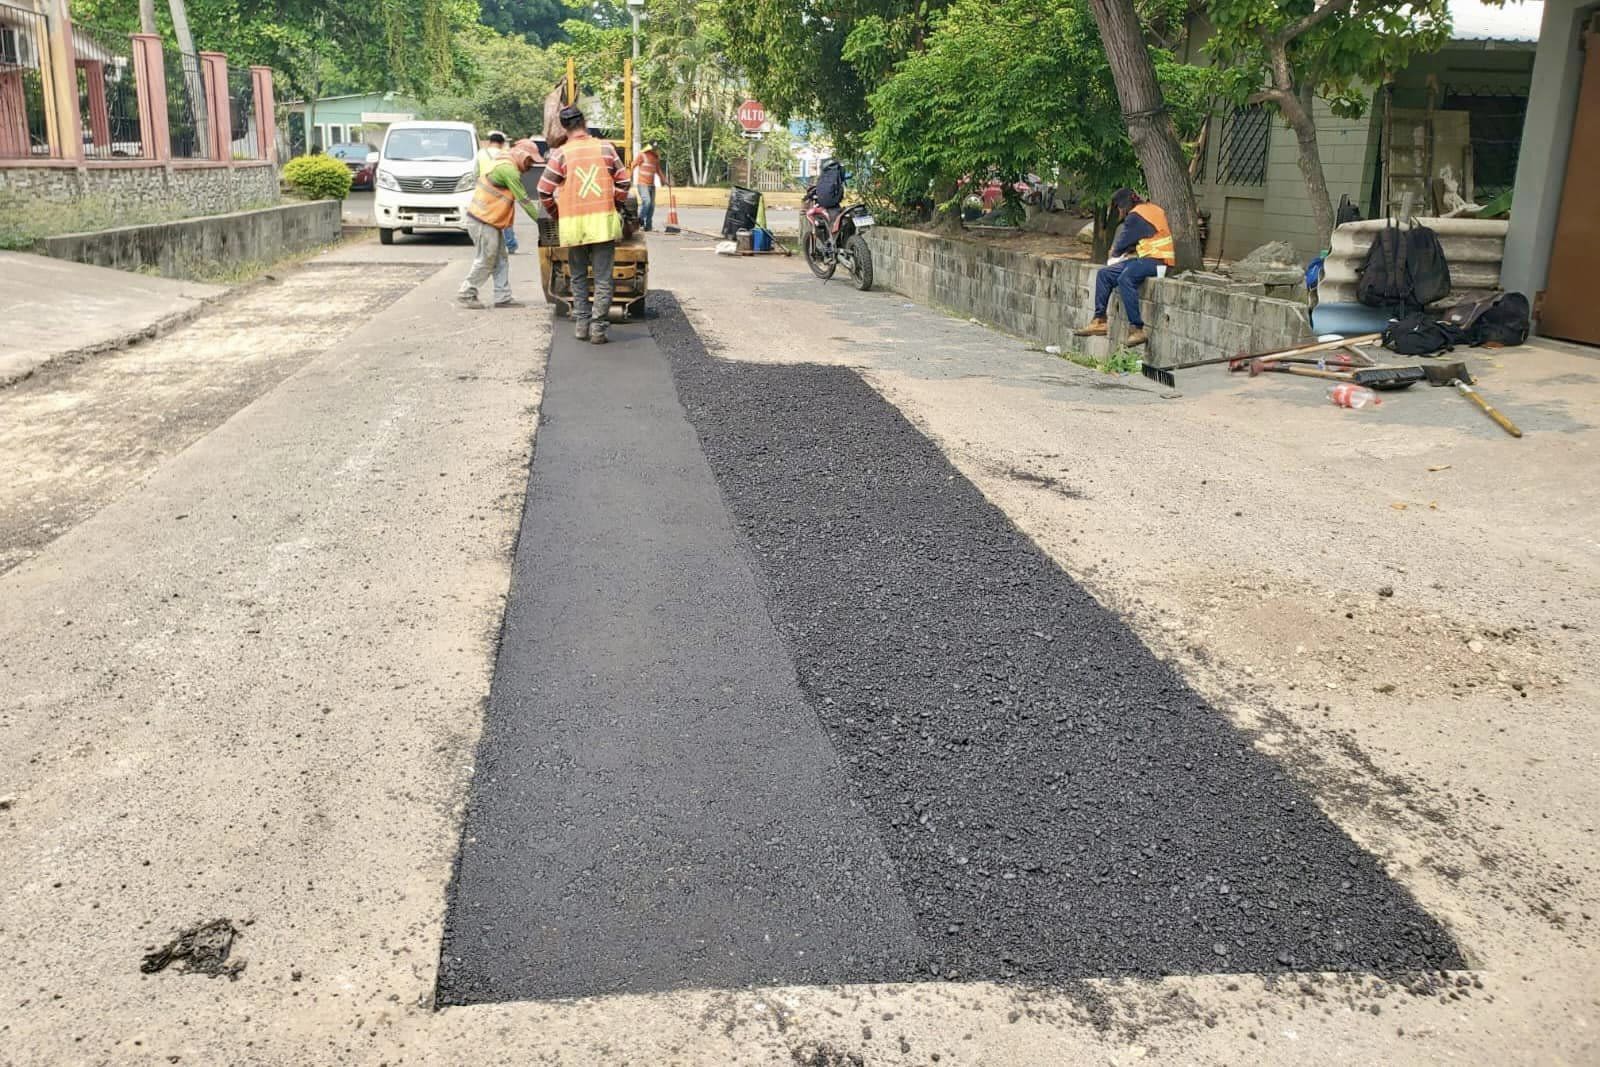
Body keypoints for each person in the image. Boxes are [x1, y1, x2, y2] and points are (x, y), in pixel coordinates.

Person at [538, 106, 631, 344]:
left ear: (563, 128)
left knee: (578, 276)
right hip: (602, 224)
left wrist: (557, 213)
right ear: (585, 122)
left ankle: (582, 325)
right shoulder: (606, 148)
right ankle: (598, 329)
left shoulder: (560, 154)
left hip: (573, 226)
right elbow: (624, 181)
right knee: (603, 278)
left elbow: (543, 190)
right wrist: (615, 203)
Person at [1074, 187, 1175, 348]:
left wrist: (1113, 255)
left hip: (1158, 260)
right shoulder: (1150, 209)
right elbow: (1144, 237)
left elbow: (1122, 243)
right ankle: (1099, 320)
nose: (1119, 213)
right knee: (1105, 274)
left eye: (1119, 209)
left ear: (1124, 206)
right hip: (1149, 258)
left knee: (1125, 278)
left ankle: (1137, 328)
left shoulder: (1136, 216)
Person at [457, 138, 541, 310]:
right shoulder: (508, 170)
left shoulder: (504, 163)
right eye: (530, 160)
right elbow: (524, 200)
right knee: (487, 258)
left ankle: (502, 297)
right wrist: (542, 222)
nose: (531, 165)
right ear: (521, 155)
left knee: (501, 258)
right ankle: (467, 292)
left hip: (489, 219)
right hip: (482, 219)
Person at [475, 131, 521, 254]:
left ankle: (487, 245)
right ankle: (511, 245)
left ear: (489, 142)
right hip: (502, 191)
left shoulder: (481, 153)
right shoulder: (505, 154)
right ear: (501, 143)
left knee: (485, 218)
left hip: (484, 190)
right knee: (505, 218)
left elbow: (476, 173)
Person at [632, 142, 662, 231]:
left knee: (652, 206)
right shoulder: (642, 155)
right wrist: (628, 176)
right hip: (642, 184)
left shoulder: (656, 158)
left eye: (656, 148)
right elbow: (633, 165)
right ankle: (640, 219)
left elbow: (658, 171)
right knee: (647, 201)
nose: (655, 149)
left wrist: (665, 181)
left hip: (651, 185)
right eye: (653, 147)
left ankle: (648, 226)